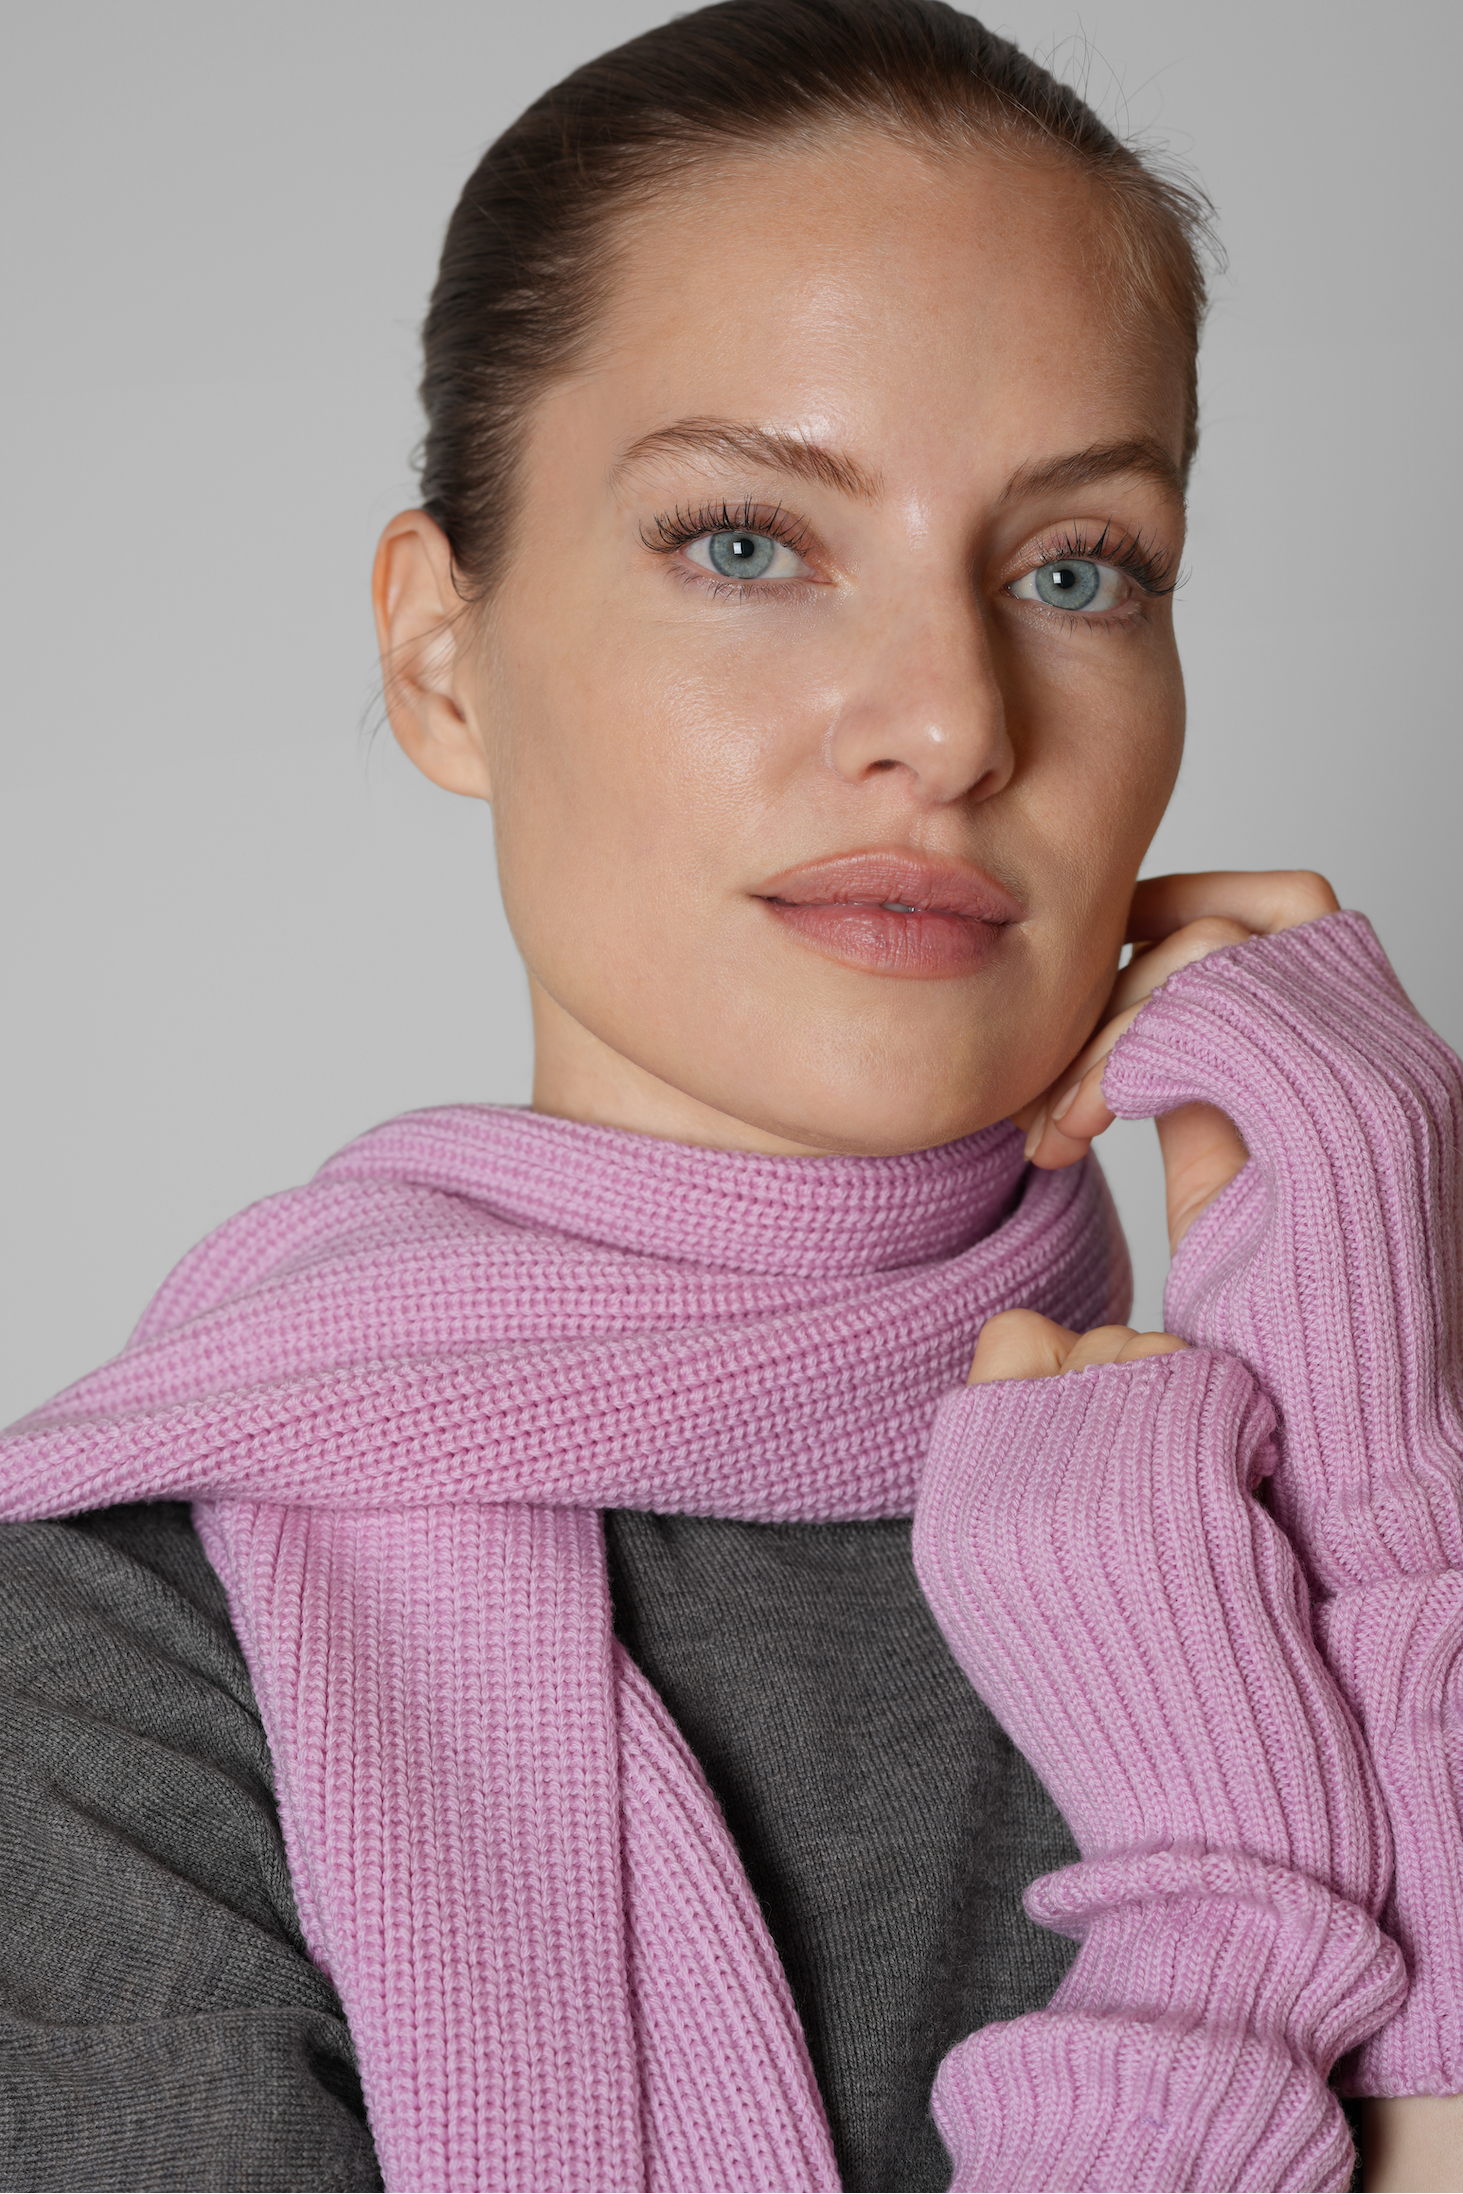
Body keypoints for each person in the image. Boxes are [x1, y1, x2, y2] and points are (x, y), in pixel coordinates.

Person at [0, 3, 1459, 2188]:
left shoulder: (1368, 1511)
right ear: (440, 655)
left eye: (1075, 567)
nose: (952, 723)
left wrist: (1386, 1478)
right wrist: (1217, 1918)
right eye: (750, 543)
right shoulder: (105, 1671)